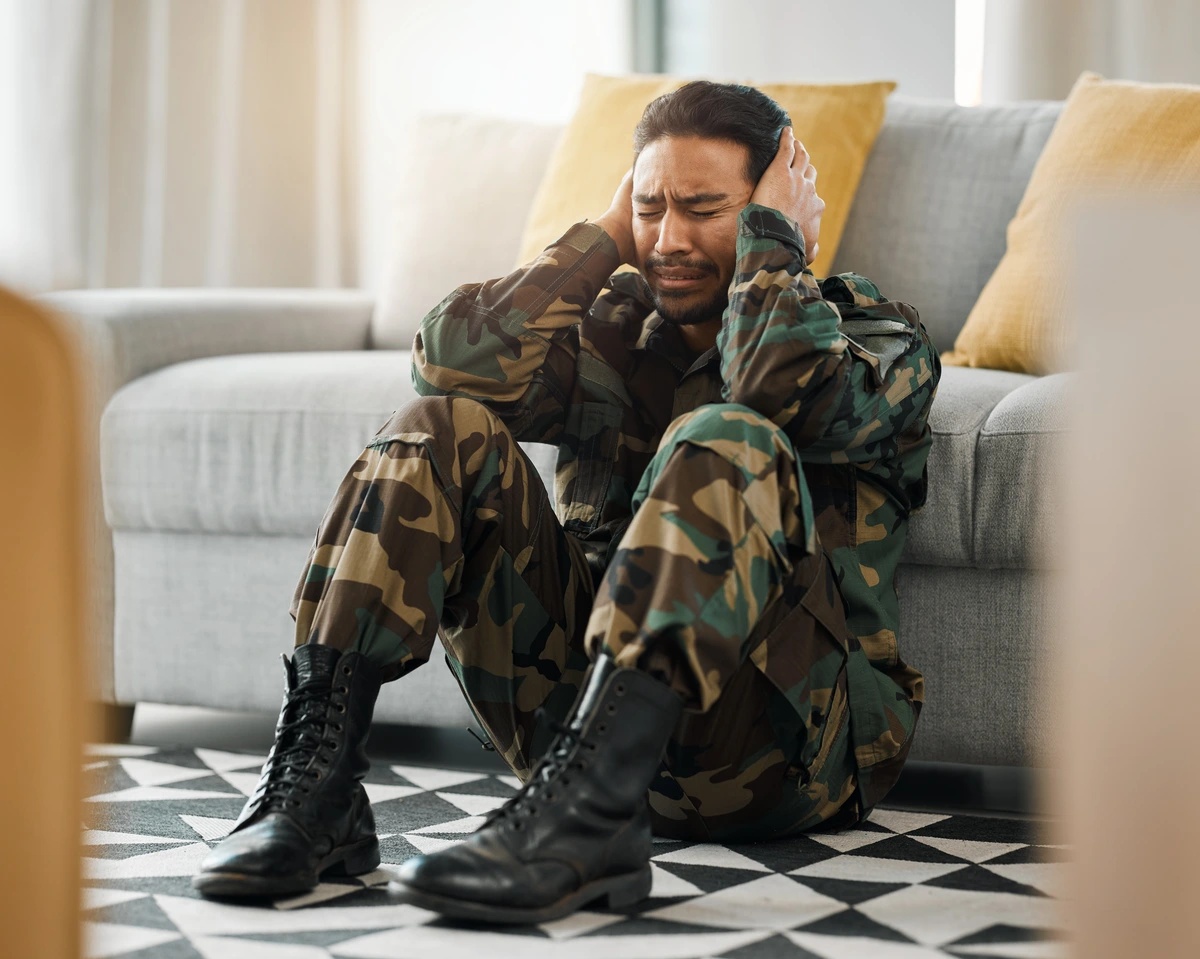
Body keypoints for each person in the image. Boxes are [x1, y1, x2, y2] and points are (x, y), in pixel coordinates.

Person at [193, 80, 939, 924]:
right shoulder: (615, 332)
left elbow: (772, 386)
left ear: (779, 202)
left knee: (726, 435)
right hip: (565, 746)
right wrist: (603, 239)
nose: (671, 239)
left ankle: (590, 827)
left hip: (783, 751)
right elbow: (446, 366)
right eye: (652, 207)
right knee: (437, 427)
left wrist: (773, 244)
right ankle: (316, 797)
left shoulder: (874, 338)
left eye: (704, 208)